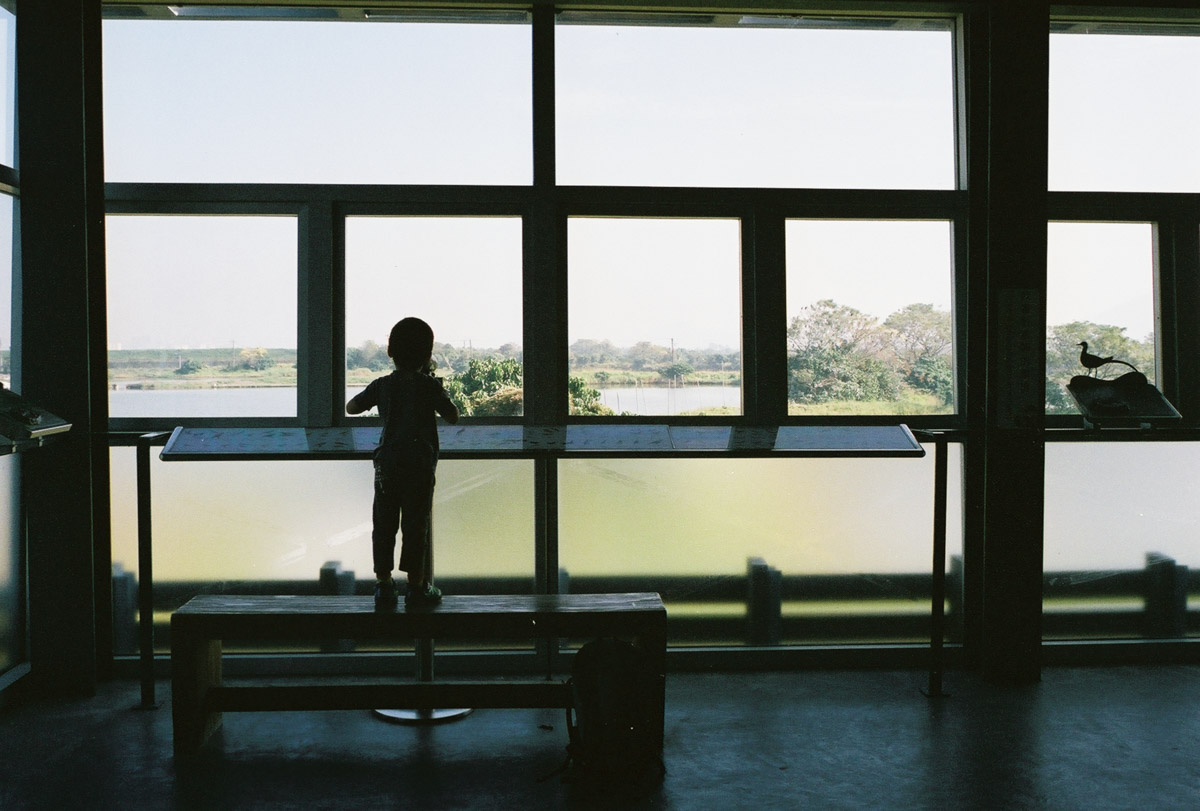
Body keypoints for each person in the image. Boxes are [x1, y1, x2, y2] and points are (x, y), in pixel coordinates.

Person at [347, 317, 459, 610]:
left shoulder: (382, 385)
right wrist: (436, 386)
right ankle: (416, 587)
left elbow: (352, 407)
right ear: (428, 355)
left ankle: (384, 585)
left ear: (390, 352)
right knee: (415, 524)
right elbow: (452, 416)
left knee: (383, 523)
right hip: (420, 464)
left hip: (387, 463)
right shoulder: (429, 386)